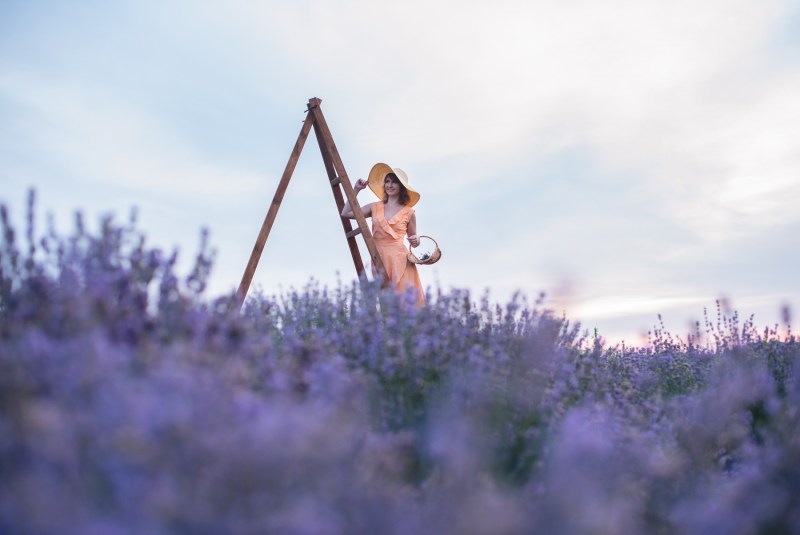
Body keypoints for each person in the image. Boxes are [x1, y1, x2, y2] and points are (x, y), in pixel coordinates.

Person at [341, 163, 425, 306]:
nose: (389, 185)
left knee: (406, 305)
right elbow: (346, 213)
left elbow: (414, 241)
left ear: (401, 187)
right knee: (387, 306)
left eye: (394, 182)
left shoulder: (409, 212)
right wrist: (356, 189)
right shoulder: (375, 207)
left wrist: (417, 240)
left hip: (401, 260)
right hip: (379, 257)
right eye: (387, 181)